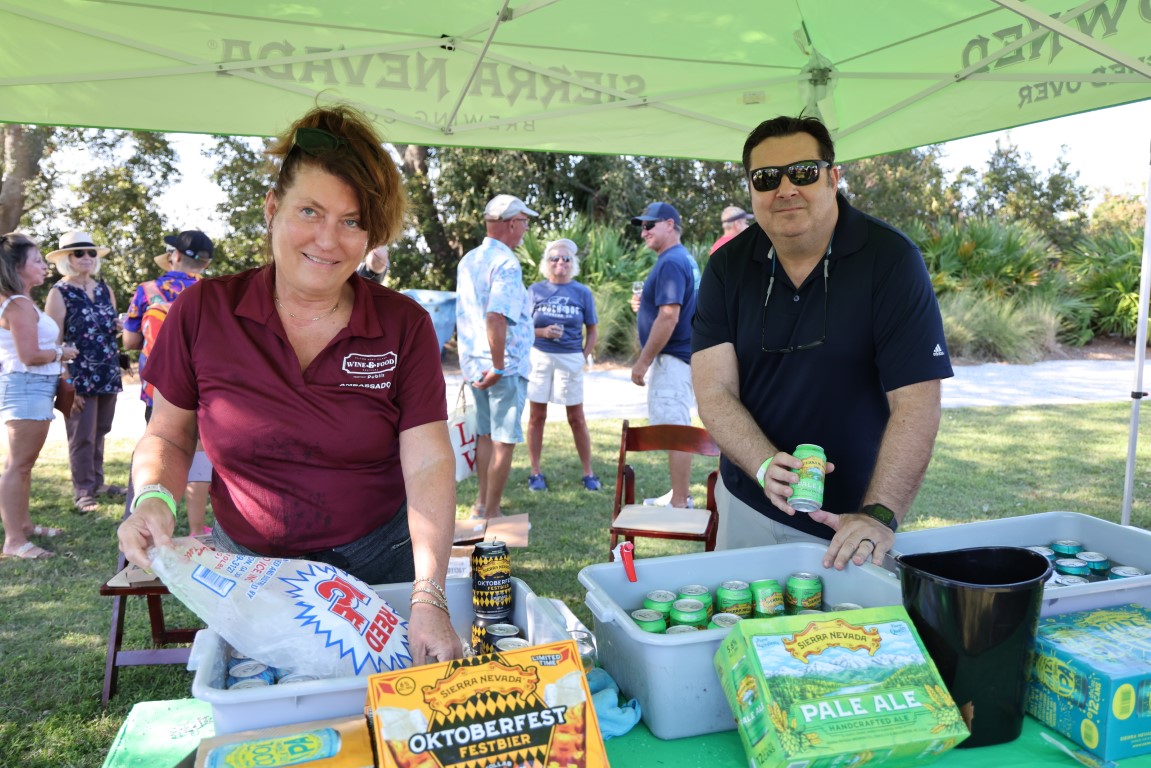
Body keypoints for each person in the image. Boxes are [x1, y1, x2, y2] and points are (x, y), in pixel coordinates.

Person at [117, 105, 459, 664]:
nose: (328, 240)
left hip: (380, 565)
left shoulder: (403, 323)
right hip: (252, 576)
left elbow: (427, 463)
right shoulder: (204, 310)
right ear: (273, 209)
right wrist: (154, 499)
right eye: (310, 211)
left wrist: (428, 595)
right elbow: (170, 435)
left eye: (352, 221)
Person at [691, 115, 953, 571]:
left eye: (804, 172)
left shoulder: (891, 260)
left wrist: (879, 514)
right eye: (767, 177)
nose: (786, 188)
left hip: (851, 523)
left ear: (834, 177)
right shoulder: (726, 266)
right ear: (751, 190)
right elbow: (713, 390)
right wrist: (762, 464)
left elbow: (917, 403)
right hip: (747, 505)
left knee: (850, 640)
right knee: (743, 637)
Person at [123, 231, 215, 534]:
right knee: (200, 452)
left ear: (174, 255)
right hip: (205, 385)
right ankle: (197, 527)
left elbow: (130, 339)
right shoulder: (213, 291)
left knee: (161, 445)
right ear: (204, 262)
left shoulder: (148, 290)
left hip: (158, 386)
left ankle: (156, 520)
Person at [455, 194, 536, 519]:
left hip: (475, 364)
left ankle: (481, 504)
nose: (525, 230)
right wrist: (500, 366)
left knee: (485, 435)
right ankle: (492, 512)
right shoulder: (506, 262)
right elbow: (496, 316)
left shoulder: (469, 259)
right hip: (501, 367)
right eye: (525, 223)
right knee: (503, 439)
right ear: (512, 223)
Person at [0, 233, 79, 559]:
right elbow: (30, 355)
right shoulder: (17, 304)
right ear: (18, 267)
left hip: (30, 387)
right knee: (18, 465)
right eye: (36, 261)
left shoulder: (20, 301)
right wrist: (63, 351)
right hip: (26, 386)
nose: (43, 266)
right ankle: (15, 540)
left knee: (23, 465)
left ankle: (25, 526)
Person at [44, 231, 124, 514]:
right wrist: (64, 380)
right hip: (78, 375)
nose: (87, 258)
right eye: (79, 253)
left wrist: (116, 328)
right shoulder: (59, 292)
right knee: (81, 434)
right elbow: (53, 340)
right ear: (66, 259)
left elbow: (108, 331)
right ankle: (83, 491)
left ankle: (98, 483)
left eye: (91, 253)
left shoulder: (105, 289)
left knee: (101, 430)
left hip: (107, 370)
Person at [628, 201, 697, 509]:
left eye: (649, 225)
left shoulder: (670, 261)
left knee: (676, 430)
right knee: (675, 426)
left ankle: (681, 501)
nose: (643, 233)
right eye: (642, 227)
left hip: (672, 359)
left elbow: (669, 316)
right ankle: (678, 493)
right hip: (682, 357)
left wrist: (642, 361)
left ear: (670, 224)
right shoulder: (682, 259)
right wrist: (644, 305)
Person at [525, 238, 600, 492]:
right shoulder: (535, 290)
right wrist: (543, 332)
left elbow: (592, 330)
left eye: (566, 258)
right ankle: (535, 472)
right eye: (555, 258)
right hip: (540, 356)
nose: (560, 262)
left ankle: (588, 472)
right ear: (546, 263)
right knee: (537, 417)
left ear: (573, 264)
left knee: (576, 418)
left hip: (570, 358)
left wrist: (582, 356)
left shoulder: (582, 292)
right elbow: (523, 329)